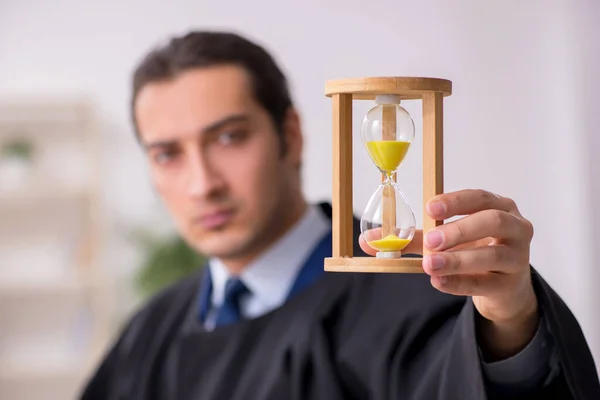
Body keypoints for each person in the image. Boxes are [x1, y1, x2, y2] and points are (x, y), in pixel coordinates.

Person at [80, 31, 600, 400]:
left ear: (291, 135)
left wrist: (510, 321)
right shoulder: (151, 330)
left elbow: (469, 379)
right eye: (168, 154)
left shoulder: (420, 291)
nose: (203, 183)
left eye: (229, 137)